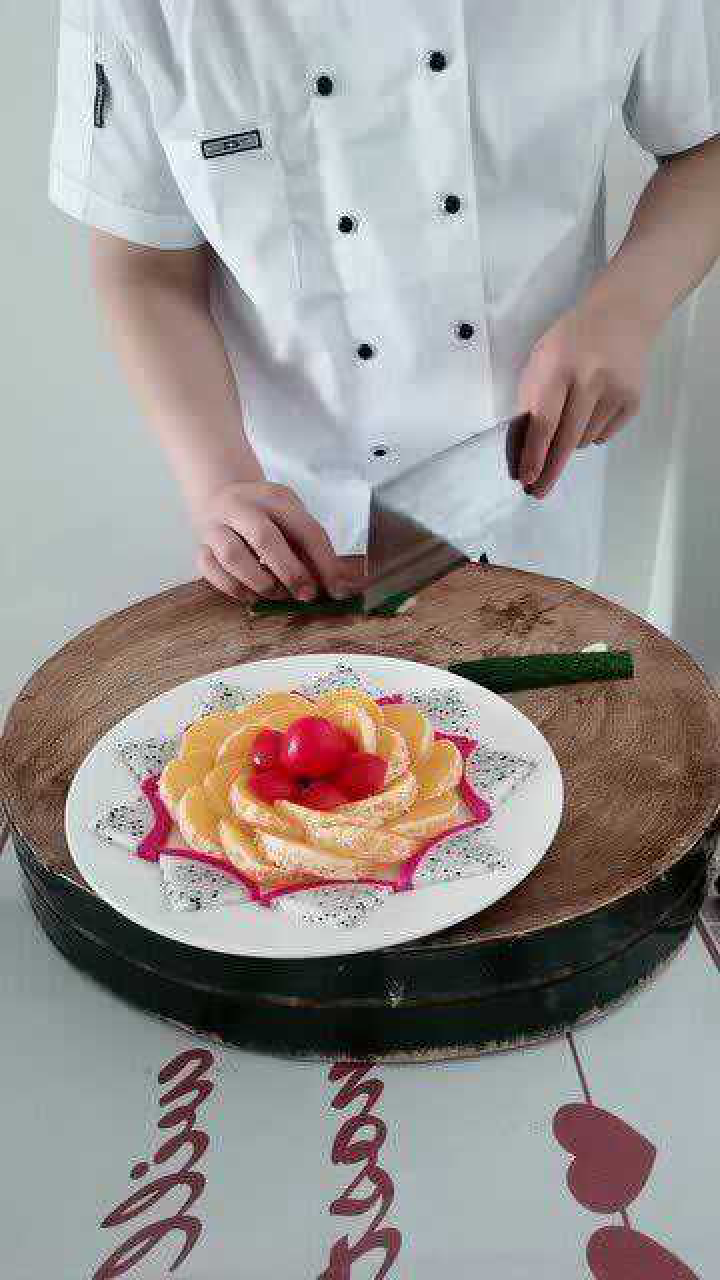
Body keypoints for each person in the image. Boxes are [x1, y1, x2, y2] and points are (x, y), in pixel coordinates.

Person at [49, 1, 720, 604]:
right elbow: (146, 263)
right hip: (297, 531)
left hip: (528, 490)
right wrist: (221, 484)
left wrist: (625, 309)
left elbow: (704, 148)